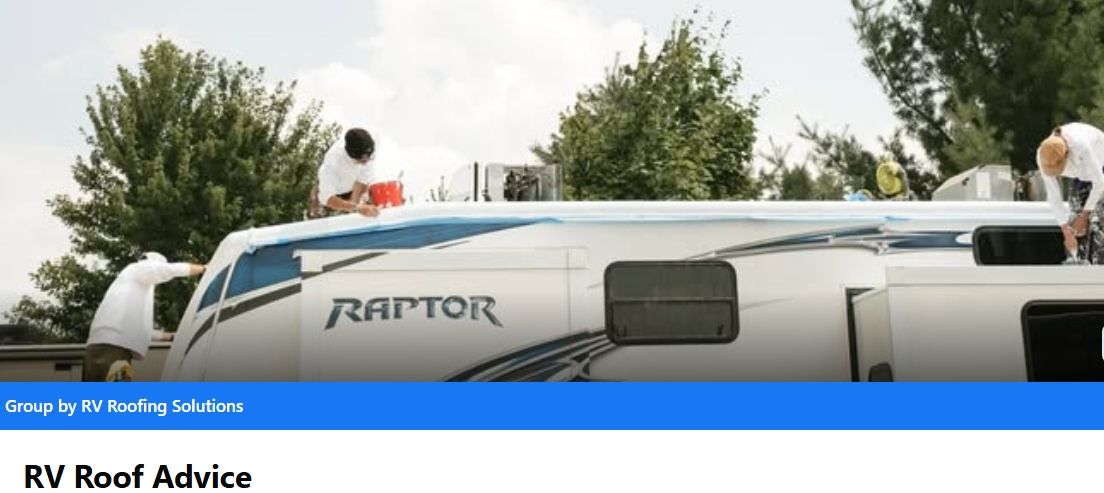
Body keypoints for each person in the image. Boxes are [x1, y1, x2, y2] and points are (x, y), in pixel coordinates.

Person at [82, 253, 205, 381]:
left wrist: (171, 336)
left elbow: (140, 330)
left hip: (102, 347)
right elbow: (167, 270)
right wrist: (204, 269)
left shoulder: (128, 289)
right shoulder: (138, 269)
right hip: (112, 349)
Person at [1037, 123, 1104, 263]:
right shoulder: (1043, 155)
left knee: (1096, 219)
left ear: (1067, 154)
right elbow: (1054, 196)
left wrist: (1084, 216)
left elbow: (1099, 183)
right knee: (1075, 217)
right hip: (1081, 176)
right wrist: (1066, 231)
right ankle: (1080, 260)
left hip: (1100, 166)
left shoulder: (1081, 146)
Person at [311, 128, 380, 218]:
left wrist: (358, 204)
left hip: (353, 185)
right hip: (334, 192)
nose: (366, 163)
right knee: (319, 212)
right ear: (350, 156)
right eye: (362, 161)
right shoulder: (333, 162)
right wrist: (357, 208)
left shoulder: (370, 145)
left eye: (369, 158)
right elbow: (327, 198)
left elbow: (362, 180)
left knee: (370, 208)